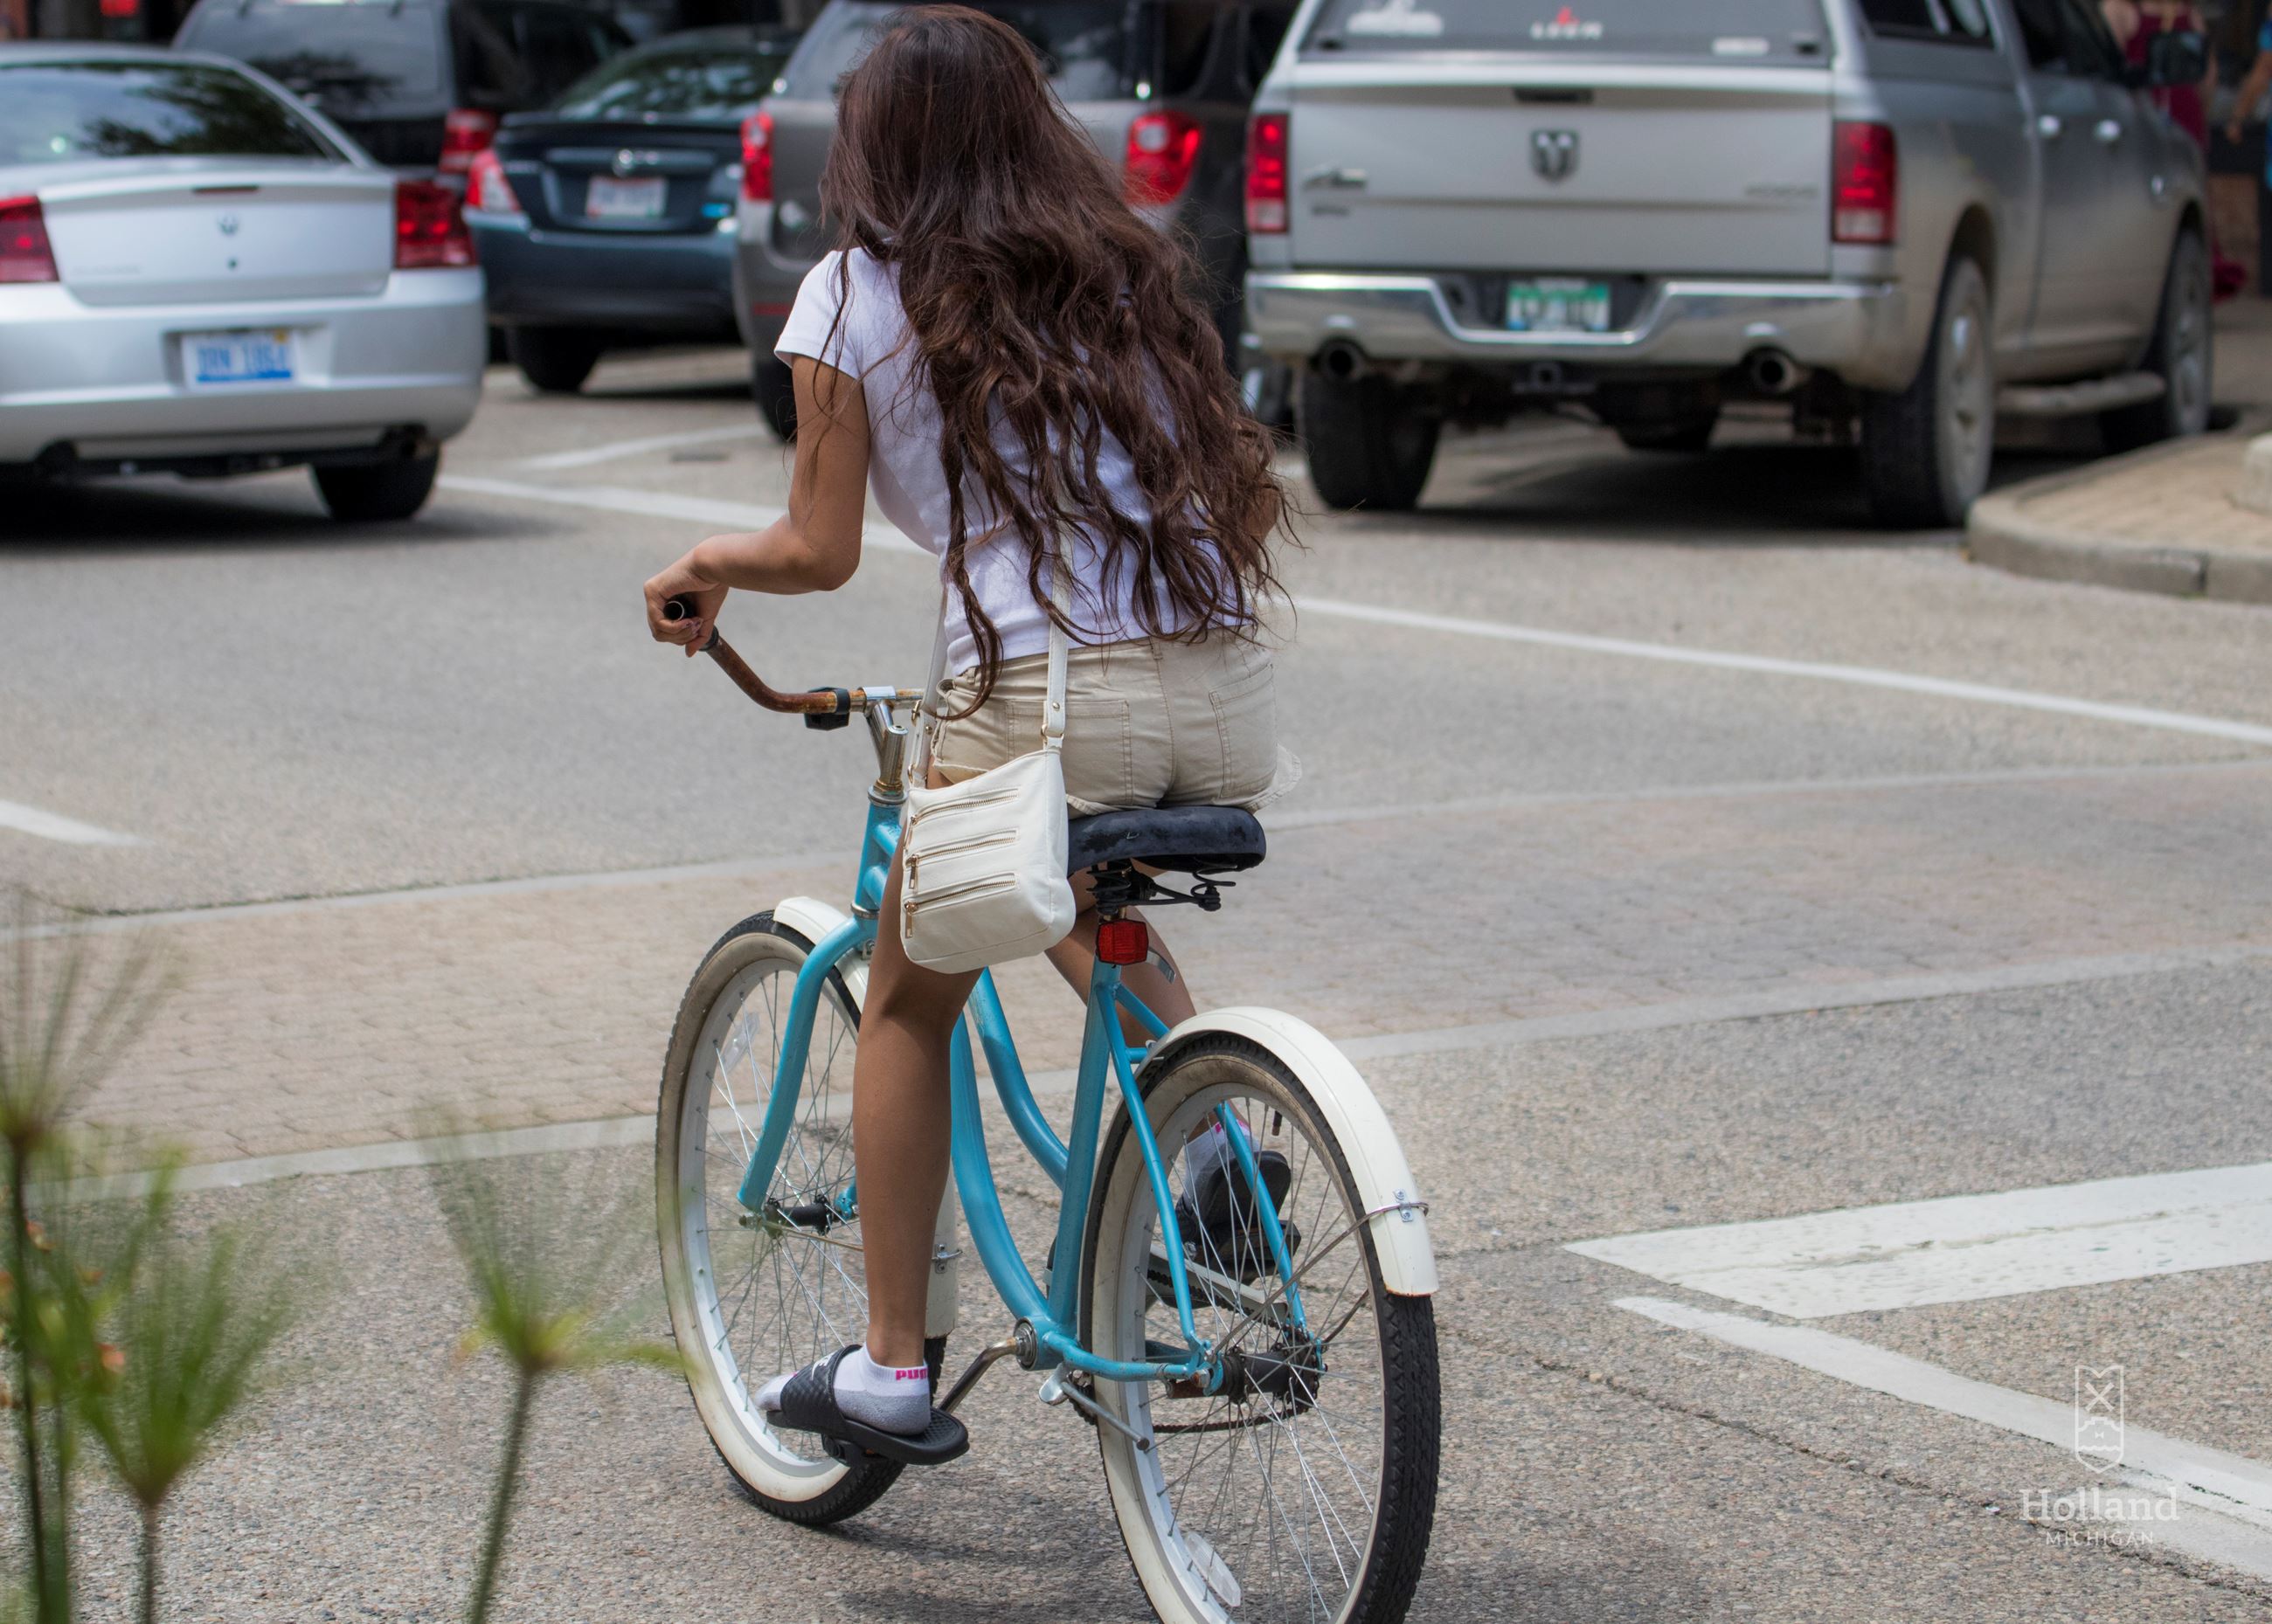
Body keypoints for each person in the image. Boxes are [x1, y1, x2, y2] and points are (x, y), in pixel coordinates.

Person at [641, 4, 1295, 1449]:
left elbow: (816, 549)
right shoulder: (1121, 270)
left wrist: (706, 565)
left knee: (908, 991)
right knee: (1059, 880)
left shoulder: (852, 296)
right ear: (1029, 126)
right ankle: (1217, 1142)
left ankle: (886, 1364)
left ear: (873, 142)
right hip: (1212, 695)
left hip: (1042, 691)